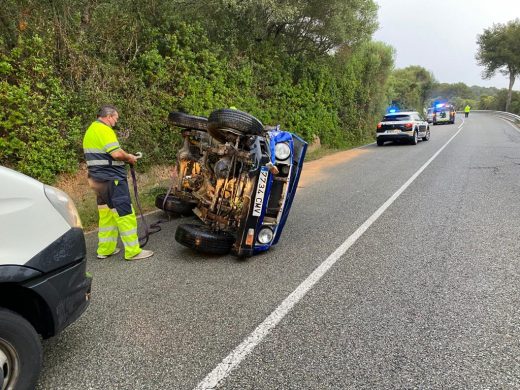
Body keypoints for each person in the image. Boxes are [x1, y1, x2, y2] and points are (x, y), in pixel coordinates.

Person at [83, 105, 154, 260]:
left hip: (97, 179)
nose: (116, 121)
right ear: (109, 116)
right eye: (116, 118)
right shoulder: (104, 130)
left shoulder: (91, 130)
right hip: (111, 179)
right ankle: (133, 251)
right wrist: (130, 158)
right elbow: (116, 153)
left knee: (106, 215)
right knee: (124, 212)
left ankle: (105, 249)